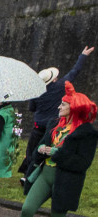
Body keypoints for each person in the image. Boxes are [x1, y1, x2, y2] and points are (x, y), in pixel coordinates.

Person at [6, 82, 97, 217]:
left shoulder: (87, 133)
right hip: (45, 174)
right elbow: (40, 148)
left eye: (63, 104)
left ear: (74, 108)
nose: (59, 107)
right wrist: (40, 150)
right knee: (27, 209)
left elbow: (82, 163)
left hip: (66, 179)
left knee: (57, 216)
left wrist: (56, 153)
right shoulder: (54, 124)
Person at [21, 46, 93, 178]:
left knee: (32, 150)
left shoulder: (36, 92)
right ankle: (43, 172)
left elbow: (32, 108)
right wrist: (83, 55)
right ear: (53, 79)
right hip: (53, 125)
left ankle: (27, 175)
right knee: (48, 148)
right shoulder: (60, 87)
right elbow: (74, 72)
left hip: (37, 127)